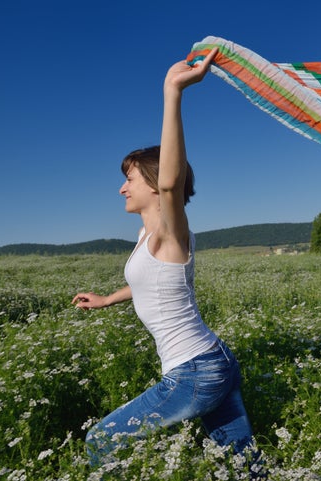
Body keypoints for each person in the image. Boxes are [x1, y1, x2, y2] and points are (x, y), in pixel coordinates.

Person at [72, 48, 262, 475]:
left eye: (130, 178)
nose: (122, 188)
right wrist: (106, 300)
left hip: (195, 370)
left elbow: (173, 181)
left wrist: (172, 93)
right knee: (244, 466)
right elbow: (152, 284)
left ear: (155, 185)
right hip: (214, 361)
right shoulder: (147, 237)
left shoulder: (169, 233)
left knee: (100, 438)